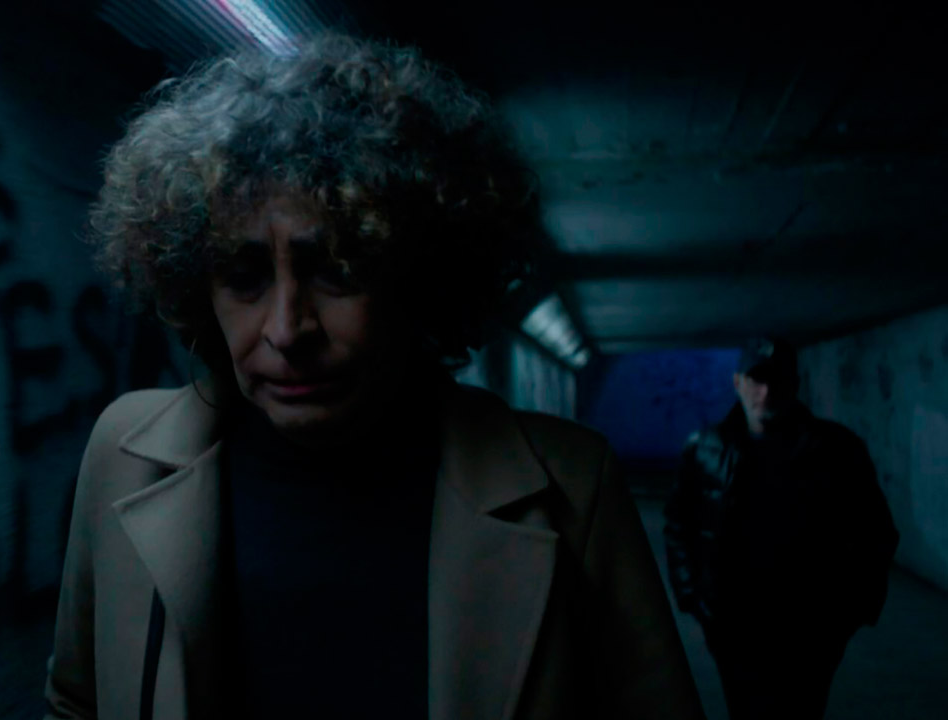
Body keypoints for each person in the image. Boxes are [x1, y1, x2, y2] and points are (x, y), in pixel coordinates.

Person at [45, 34, 704, 720]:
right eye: (243, 277)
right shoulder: (125, 457)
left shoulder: (572, 487)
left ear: (418, 274)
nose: (287, 329)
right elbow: (75, 701)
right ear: (195, 287)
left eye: (337, 270)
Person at [664, 336, 900, 719]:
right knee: (745, 708)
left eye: (778, 380)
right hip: (732, 620)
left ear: (796, 385)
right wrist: (693, 596)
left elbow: (877, 532)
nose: (767, 391)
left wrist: (851, 611)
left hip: (811, 624)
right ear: (737, 382)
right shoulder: (705, 448)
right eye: (757, 379)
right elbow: (679, 523)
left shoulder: (838, 449)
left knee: (802, 709)